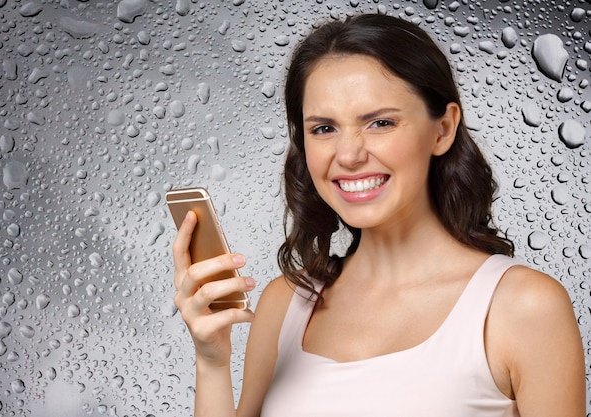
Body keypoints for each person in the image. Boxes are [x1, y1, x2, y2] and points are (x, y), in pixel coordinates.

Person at [172, 13, 585, 417]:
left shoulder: (522, 307)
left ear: (442, 129)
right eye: (323, 129)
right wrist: (212, 361)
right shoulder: (287, 303)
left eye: (380, 122)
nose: (348, 155)